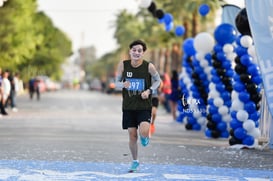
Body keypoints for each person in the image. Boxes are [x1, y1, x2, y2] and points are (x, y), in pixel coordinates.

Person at [115, 40, 161, 172]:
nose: (136, 53)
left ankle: (145, 137)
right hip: (129, 107)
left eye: (139, 51)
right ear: (130, 51)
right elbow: (116, 83)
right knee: (132, 135)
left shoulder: (148, 66)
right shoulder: (123, 65)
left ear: (143, 53)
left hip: (144, 105)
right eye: (134, 50)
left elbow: (158, 80)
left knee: (144, 131)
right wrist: (122, 85)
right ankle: (135, 161)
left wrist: (149, 91)